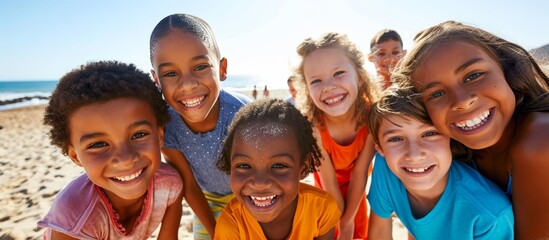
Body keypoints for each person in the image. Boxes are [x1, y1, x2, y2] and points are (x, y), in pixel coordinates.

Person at [393, 20, 549, 239]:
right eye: (436, 93)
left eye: (473, 75)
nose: (462, 101)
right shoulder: (452, 153)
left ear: (507, 71)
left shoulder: (540, 141)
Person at [37, 61, 183, 239]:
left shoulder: (170, 185)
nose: (125, 158)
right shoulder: (74, 216)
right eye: (98, 144)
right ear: (75, 156)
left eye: (139, 135)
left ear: (160, 135)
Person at [149, 13, 251, 239]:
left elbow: (263, 176)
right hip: (209, 199)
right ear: (157, 80)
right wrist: (216, 232)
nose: (187, 84)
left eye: (200, 67)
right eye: (170, 73)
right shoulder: (167, 125)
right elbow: (190, 185)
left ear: (222, 68)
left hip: (252, 195)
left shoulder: (243, 115)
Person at [367, 86, 514, 239]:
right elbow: (381, 232)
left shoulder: (488, 217)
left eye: (429, 134)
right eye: (395, 139)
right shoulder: (386, 168)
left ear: (451, 138)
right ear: (381, 149)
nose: (415, 155)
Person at [215, 98, 341, 239]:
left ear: (303, 168)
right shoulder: (232, 224)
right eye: (244, 166)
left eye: (279, 166)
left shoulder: (321, 209)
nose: (260, 183)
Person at [294, 32, 379, 239]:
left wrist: (348, 221)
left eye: (339, 73)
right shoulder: (315, 127)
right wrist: (341, 223)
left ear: (359, 77)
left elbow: (360, 175)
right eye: (316, 81)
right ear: (307, 89)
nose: (329, 87)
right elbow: (329, 182)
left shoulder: (372, 118)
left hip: (357, 190)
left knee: (356, 230)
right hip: (326, 191)